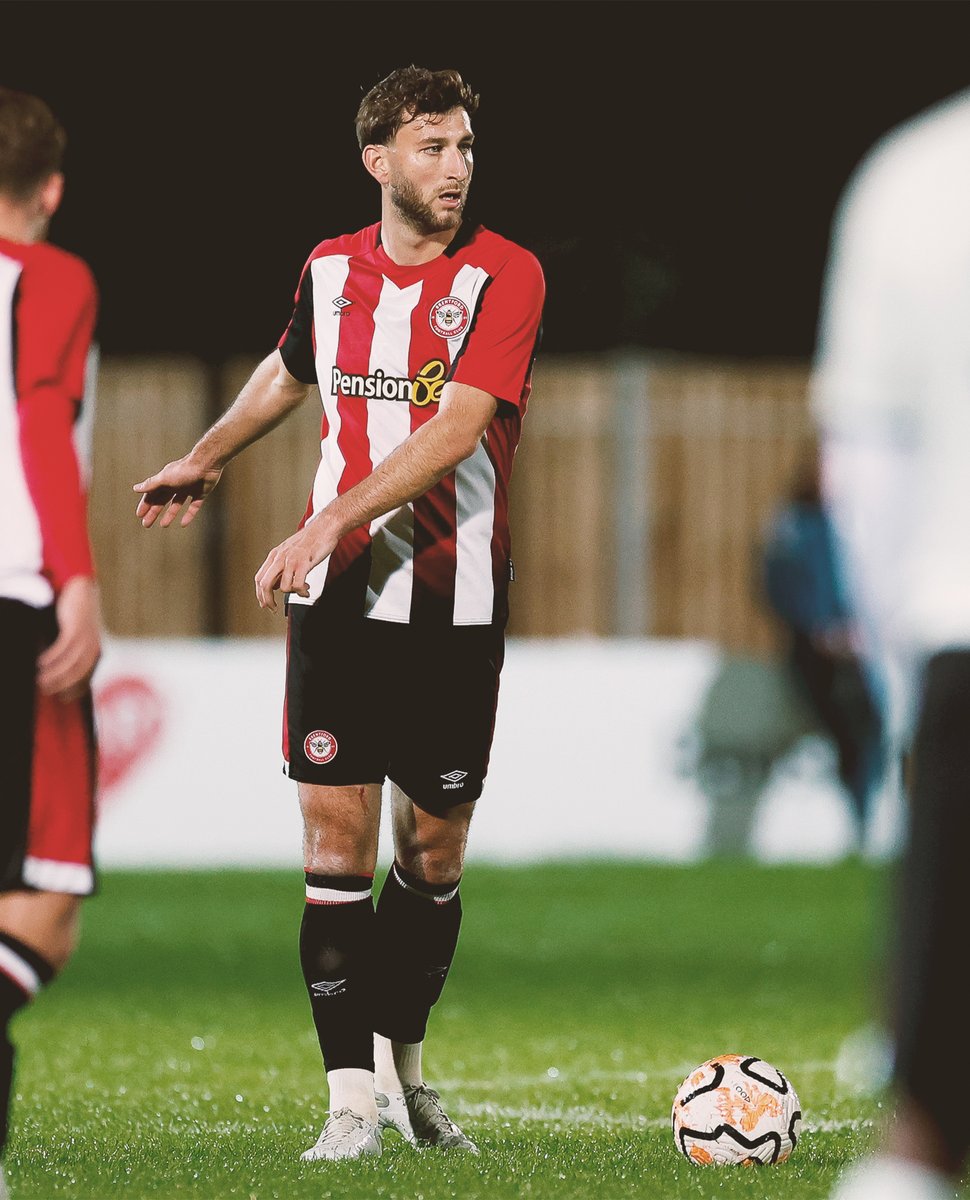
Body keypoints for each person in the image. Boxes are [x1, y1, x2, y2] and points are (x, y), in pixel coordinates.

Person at [133, 65, 544, 1162]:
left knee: (437, 855)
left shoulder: (505, 275)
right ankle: (348, 1106)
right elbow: (289, 370)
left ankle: (405, 1070)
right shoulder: (328, 270)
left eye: (464, 147)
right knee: (332, 841)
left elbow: (455, 428)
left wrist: (323, 520)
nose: (455, 167)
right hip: (340, 609)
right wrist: (207, 457)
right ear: (377, 162)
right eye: (431, 147)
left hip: (454, 607)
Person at [813, 88, 970, 1200]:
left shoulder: (919, 174)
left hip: (962, 630)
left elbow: (864, 459)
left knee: (926, 1126)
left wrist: (898, 660)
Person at [0, 89, 101, 1199]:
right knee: (45, 903)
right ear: (52, 188)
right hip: (14, 600)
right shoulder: (50, 277)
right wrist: (75, 577)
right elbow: (35, 411)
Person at [759, 445, 886, 852]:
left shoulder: (859, 523)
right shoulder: (792, 526)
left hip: (863, 651)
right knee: (846, 734)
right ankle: (855, 819)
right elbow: (777, 586)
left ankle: (865, 819)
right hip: (813, 651)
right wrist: (818, 627)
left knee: (868, 733)